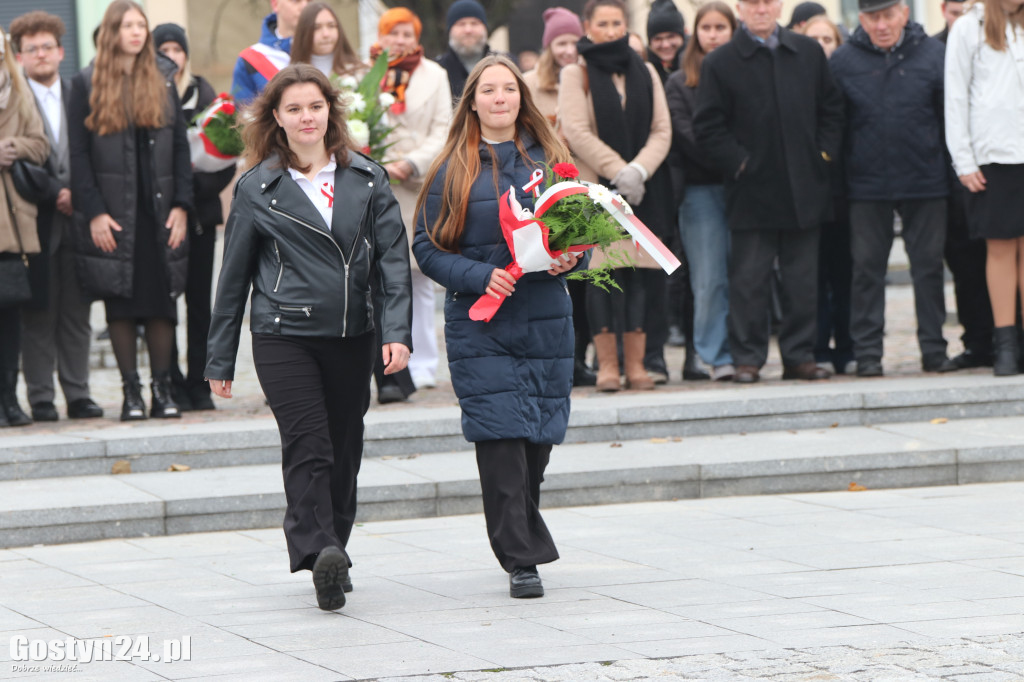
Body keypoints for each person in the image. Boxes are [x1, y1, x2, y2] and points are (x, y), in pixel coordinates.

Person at [205, 64, 412, 609]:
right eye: (293, 108)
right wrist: (219, 359)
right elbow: (232, 280)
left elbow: (393, 262)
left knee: (344, 449)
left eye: (314, 107)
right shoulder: (256, 188)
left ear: (330, 112)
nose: (306, 117)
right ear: (276, 116)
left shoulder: (367, 179)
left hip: (352, 334)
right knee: (309, 443)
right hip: (283, 334)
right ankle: (316, 547)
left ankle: (333, 550)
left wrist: (397, 333)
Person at [412, 55, 578, 598]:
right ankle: (520, 558)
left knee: (537, 441)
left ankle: (522, 533)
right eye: (490, 90)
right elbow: (426, 248)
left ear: (522, 98)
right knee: (500, 436)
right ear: (473, 100)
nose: (501, 97)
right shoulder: (450, 167)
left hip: (545, 318)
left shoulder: (551, 158)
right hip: (482, 323)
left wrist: (572, 258)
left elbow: (585, 234)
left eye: (510, 88)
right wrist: (480, 275)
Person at [693, 0, 844, 384]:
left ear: (778, 6)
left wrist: (822, 154)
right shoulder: (720, 62)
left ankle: (799, 356)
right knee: (749, 282)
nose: (760, 9)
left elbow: (832, 109)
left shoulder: (807, 51)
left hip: (803, 187)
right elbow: (708, 126)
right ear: (740, 8)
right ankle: (748, 358)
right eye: (752, 3)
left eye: (767, 2)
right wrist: (739, 163)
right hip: (751, 191)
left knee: (802, 281)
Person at [68, 0, 193, 420]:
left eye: (142, 25)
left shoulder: (163, 78)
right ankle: (131, 394)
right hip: (113, 212)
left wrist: (182, 205)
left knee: (160, 300)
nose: (137, 32)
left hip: (158, 210)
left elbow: (179, 147)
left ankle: (162, 391)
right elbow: (79, 156)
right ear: (111, 32)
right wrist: (95, 212)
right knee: (119, 301)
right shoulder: (85, 83)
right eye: (128, 26)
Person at [831, 0, 955, 377]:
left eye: (888, 16)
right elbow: (837, 124)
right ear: (861, 19)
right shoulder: (842, 61)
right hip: (867, 184)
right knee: (866, 270)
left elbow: (946, 116)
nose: (881, 25)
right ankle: (868, 353)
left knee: (929, 268)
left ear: (904, 13)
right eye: (872, 18)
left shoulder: (934, 55)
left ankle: (934, 349)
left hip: (925, 179)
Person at [559, 0, 673, 393]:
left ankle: (637, 364)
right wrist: (617, 170)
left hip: (643, 190)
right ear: (588, 27)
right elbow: (575, 130)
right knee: (601, 275)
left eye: (617, 23)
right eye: (602, 23)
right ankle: (607, 365)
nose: (610, 30)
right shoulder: (576, 74)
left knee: (639, 275)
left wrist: (638, 171)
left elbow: (662, 129)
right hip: (596, 192)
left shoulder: (645, 70)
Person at [10, 11, 103, 422]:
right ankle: (41, 397)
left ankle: (79, 393)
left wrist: (78, 195)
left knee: (78, 313)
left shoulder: (79, 93)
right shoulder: (12, 102)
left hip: (80, 217)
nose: (42, 54)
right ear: (19, 57)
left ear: (61, 52)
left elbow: (92, 153)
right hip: (34, 218)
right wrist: (55, 191)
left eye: (48, 47)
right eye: (32, 49)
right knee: (38, 313)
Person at [152, 23, 237, 411]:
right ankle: (166, 379)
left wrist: (191, 190)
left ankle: (200, 382)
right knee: (163, 301)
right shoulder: (150, 94)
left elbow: (224, 159)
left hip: (201, 216)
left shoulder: (204, 94)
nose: (172, 55)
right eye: (164, 48)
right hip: (161, 217)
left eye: (177, 48)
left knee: (201, 304)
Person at [370, 8, 451, 392]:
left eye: (407, 33)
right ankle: (386, 365)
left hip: (417, 185)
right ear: (382, 37)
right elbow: (355, 122)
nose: (400, 40)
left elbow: (443, 129)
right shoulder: (364, 74)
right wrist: (377, 164)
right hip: (375, 186)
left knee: (418, 276)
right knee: (381, 279)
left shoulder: (434, 75)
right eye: (393, 33)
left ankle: (423, 364)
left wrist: (410, 163)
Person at [946, 0, 1024, 375]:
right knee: (1000, 248)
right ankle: (1005, 342)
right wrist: (964, 159)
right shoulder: (969, 26)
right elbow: (956, 94)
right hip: (995, 153)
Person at [522, 7, 595, 387]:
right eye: (561, 42)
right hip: (542, 188)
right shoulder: (530, 84)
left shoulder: (586, 78)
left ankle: (580, 355)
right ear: (549, 46)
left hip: (580, 186)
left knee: (581, 274)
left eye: (573, 41)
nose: (568, 49)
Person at [665, 1, 736, 382]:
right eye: (706, 27)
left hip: (746, 189)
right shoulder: (679, 82)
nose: (713, 34)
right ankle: (714, 352)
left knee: (747, 276)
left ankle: (744, 348)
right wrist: (736, 158)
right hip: (700, 190)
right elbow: (689, 137)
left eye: (720, 27)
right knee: (709, 279)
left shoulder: (747, 73)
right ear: (696, 34)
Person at [935, 0, 993, 369]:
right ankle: (977, 341)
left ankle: (1010, 337)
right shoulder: (932, 51)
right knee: (965, 263)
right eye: (956, 11)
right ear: (944, 10)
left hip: (997, 163)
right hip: (952, 173)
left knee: (1004, 258)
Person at [795, 15, 854, 376]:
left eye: (827, 39)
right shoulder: (794, 77)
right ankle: (815, 346)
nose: (821, 45)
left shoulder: (847, 77)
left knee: (844, 273)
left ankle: (847, 345)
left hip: (847, 192)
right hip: (807, 193)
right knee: (810, 277)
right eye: (813, 38)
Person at [0, 27, 49, 427]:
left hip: (13, 224)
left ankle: (9, 400)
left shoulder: (18, 93)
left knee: (10, 319)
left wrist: (12, 148)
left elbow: (41, 143)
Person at [232, 0, 310, 103]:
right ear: (275, 4)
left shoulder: (329, 51)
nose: (305, 6)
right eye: (296, 1)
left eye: (310, 1)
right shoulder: (249, 59)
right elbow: (242, 114)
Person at [437, 0, 493, 105]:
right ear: (450, 31)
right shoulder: (436, 70)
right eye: (461, 24)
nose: (468, 30)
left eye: (474, 23)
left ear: (485, 28)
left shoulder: (505, 65)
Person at [289, 2, 361, 79]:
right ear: (303, 32)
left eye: (331, 26)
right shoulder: (291, 76)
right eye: (316, 28)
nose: (326, 34)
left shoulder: (358, 72)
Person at [647, 0, 687, 82]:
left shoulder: (697, 66)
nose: (665, 45)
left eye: (671, 37)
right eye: (658, 39)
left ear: (683, 36)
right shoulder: (644, 70)